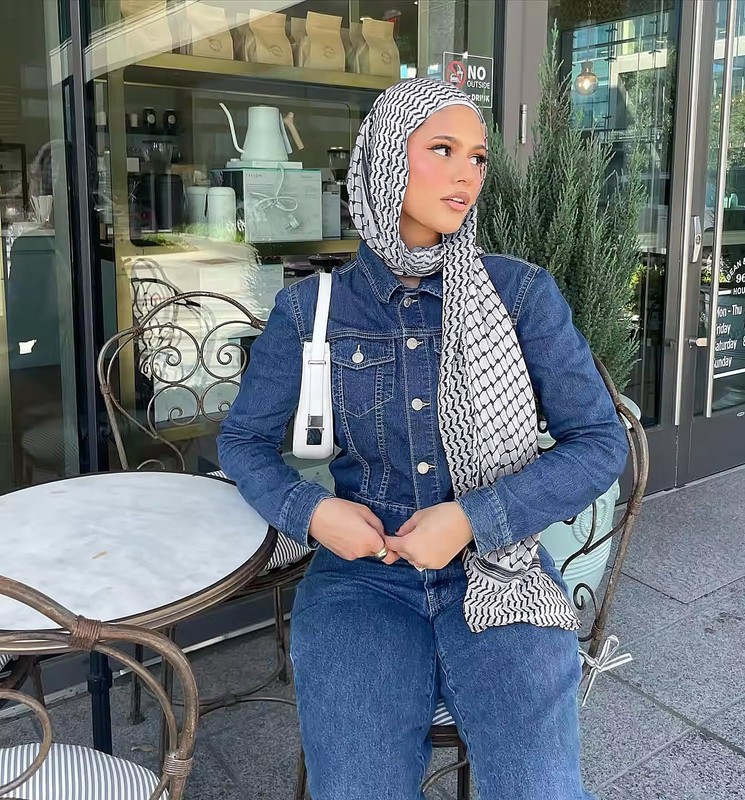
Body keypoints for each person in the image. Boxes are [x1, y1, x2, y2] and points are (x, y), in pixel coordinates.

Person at [218, 78, 628, 800]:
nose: (467, 173)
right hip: (362, 579)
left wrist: (472, 518)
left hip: (502, 571)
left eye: (477, 157)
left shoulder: (520, 294)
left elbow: (599, 441)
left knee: (540, 789)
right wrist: (314, 512)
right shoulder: (310, 309)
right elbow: (243, 442)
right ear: (383, 158)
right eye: (443, 149)